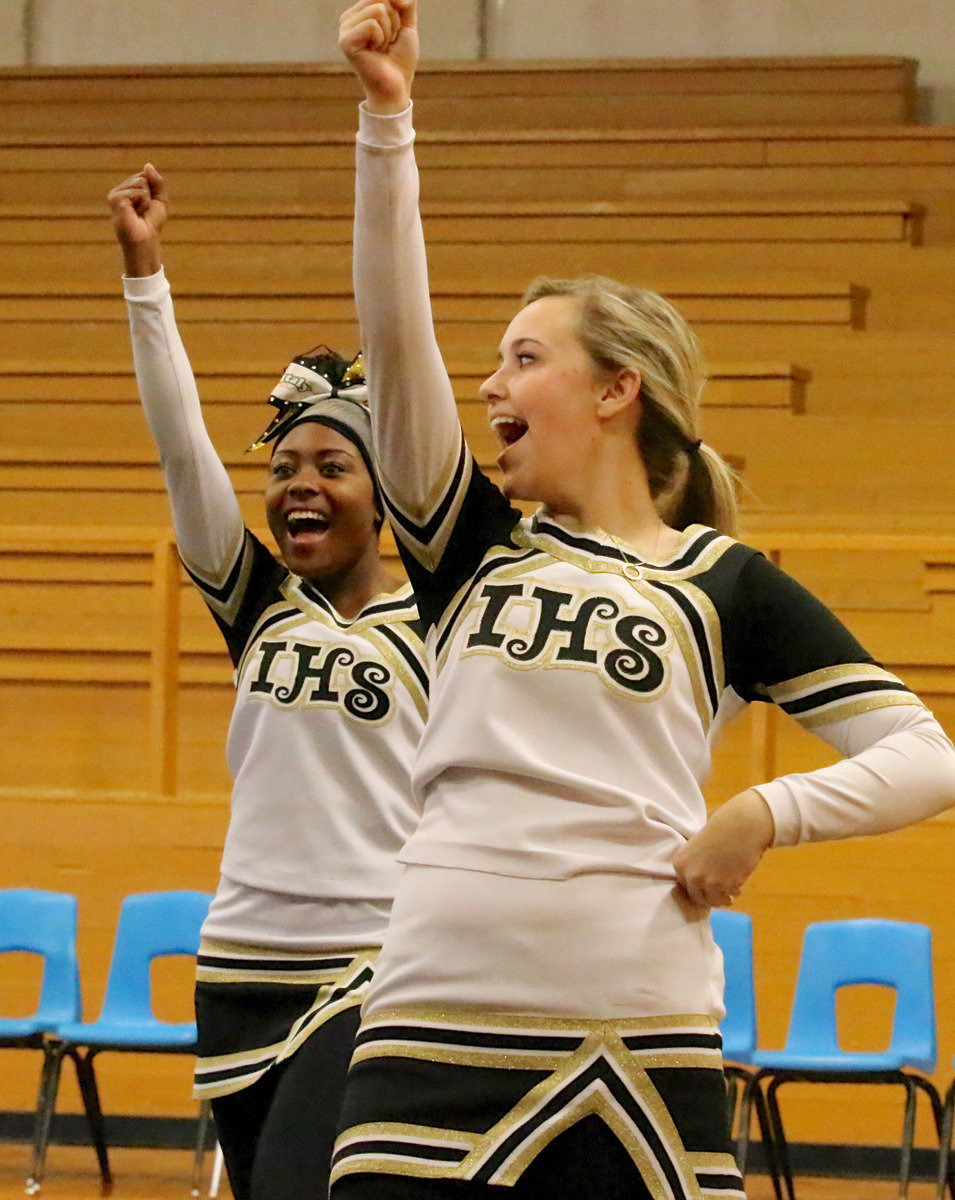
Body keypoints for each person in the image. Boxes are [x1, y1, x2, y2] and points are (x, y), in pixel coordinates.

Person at [330, 3, 955, 1198]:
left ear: (616, 391)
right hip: (432, 1021)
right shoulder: (470, 546)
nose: (488, 384)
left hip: (640, 1032)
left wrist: (762, 813)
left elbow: (926, 757)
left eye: (525, 358)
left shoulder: (724, 583)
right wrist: (386, 119)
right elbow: (393, 336)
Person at [107, 164, 427, 1200]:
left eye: (332, 466)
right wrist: (144, 274)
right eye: (284, 468)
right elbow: (179, 448)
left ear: (387, 493)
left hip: (373, 961)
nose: (300, 485)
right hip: (239, 963)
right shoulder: (258, 605)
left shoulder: (448, 618)